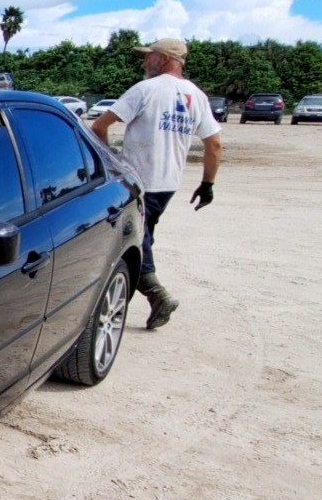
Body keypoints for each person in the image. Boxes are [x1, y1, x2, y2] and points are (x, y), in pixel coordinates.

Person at [90, 37, 223, 329]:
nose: (143, 61)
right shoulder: (197, 96)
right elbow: (214, 144)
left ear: (163, 59)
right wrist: (207, 183)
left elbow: (99, 127)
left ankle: (157, 294)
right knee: (143, 236)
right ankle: (147, 294)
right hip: (167, 185)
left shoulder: (145, 90)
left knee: (133, 240)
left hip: (137, 183)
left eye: (148, 56)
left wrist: (111, 163)